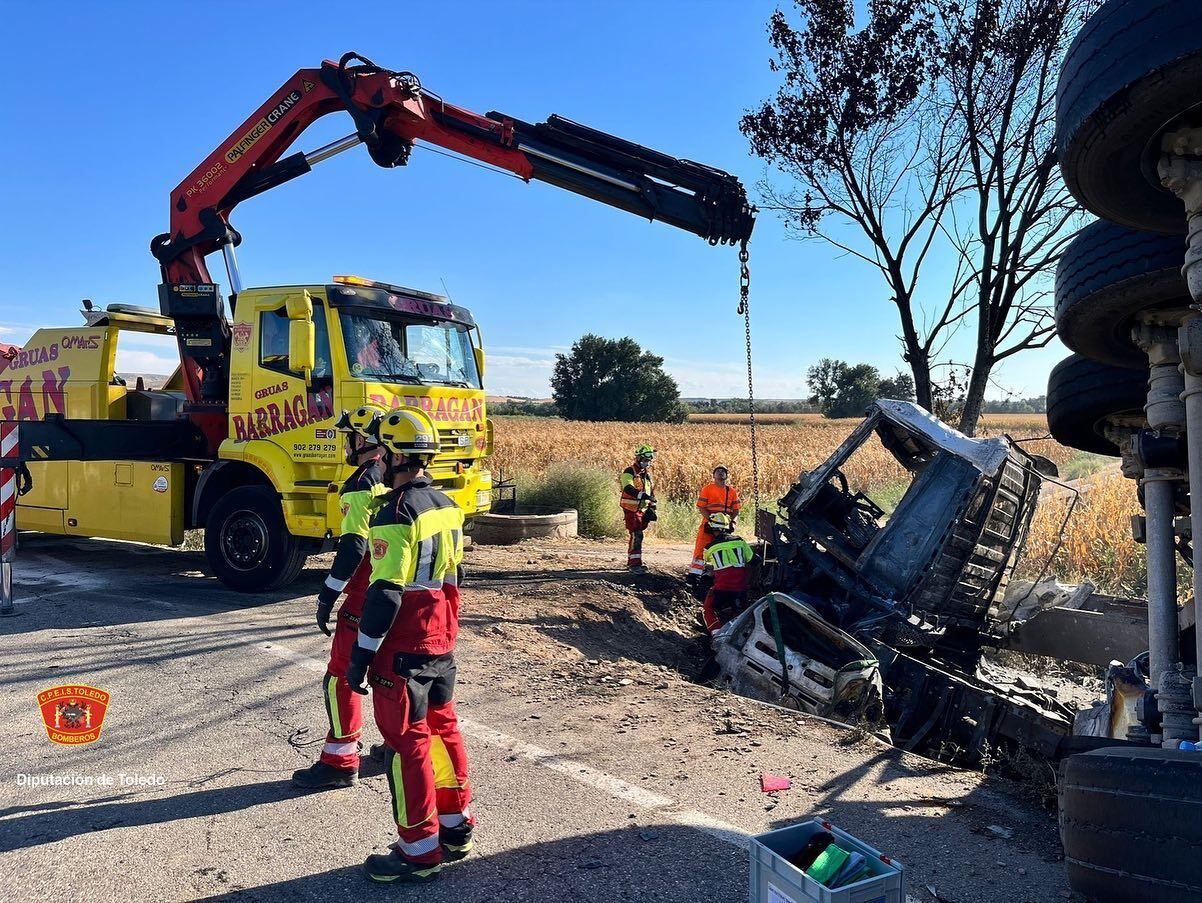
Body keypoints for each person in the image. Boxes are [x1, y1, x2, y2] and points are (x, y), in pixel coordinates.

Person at [345, 408, 472, 883]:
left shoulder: (393, 511)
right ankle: (455, 825)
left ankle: (417, 847)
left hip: (403, 643)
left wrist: (361, 653)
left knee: (406, 742)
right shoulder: (447, 503)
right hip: (442, 635)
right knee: (443, 728)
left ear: (396, 455)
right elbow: (454, 574)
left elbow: (386, 590)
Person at [292, 403, 388, 790]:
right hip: (397, 591)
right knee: (387, 674)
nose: (345, 442)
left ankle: (340, 760)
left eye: (350, 435)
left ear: (363, 440)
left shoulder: (360, 484)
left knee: (342, 676)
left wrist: (328, 592)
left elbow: (353, 547)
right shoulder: (399, 477)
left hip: (365, 592)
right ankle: (394, 746)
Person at [701, 513, 756, 633]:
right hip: (741, 588)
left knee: (708, 608)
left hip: (721, 588)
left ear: (712, 528)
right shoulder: (740, 542)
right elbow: (753, 560)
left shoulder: (709, 548)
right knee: (742, 611)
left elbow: (708, 568)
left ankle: (716, 633)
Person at [688, 466, 743, 582]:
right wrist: (711, 520)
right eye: (718, 471)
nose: (721, 473)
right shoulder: (707, 489)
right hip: (709, 524)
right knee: (701, 549)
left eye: (723, 471)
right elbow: (702, 507)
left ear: (726, 476)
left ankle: (716, 576)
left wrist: (733, 522)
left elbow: (736, 510)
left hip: (724, 526)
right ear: (713, 476)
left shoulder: (731, 491)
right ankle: (694, 575)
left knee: (722, 550)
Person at [619, 444, 657, 573]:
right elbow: (628, 488)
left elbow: (651, 491)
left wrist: (653, 506)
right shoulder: (629, 471)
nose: (648, 463)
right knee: (636, 534)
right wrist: (642, 496)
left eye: (649, 460)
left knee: (638, 535)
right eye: (646, 460)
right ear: (639, 459)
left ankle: (634, 561)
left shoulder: (646, 475)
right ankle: (634, 564)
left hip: (642, 510)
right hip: (631, 508)